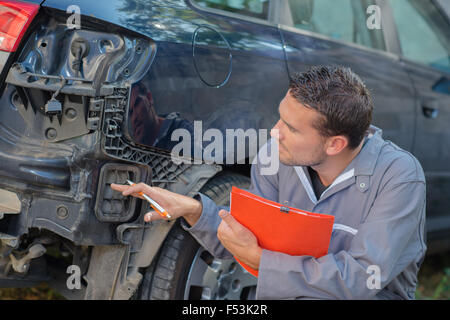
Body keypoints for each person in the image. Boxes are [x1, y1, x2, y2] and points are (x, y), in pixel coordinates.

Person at [111, 65, 426, 299]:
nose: (275, 131)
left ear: (334, 144)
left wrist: (263, 262)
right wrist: (192, 209)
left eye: (291, 127)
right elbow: (249, 243)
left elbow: (359, 279)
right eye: (280, 117)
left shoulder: (399, 178)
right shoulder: (274, 157)